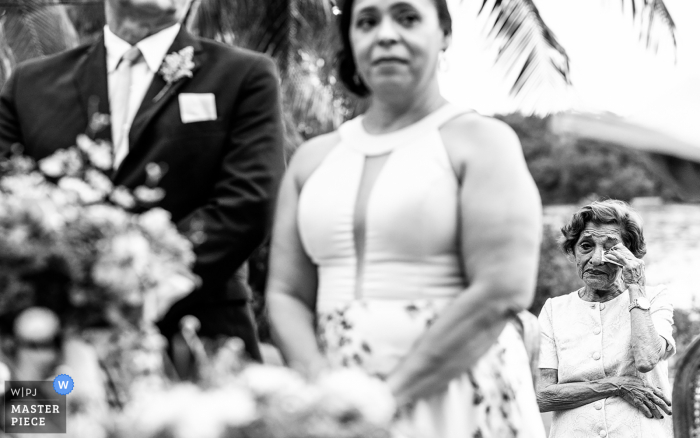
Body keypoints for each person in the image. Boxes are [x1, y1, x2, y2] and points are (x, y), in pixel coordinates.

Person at [266, 0, 546, 435]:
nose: (386, 34)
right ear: (352, 39)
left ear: (445, 33)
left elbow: (502, 290)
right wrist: (325, 390)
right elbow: (286, 293)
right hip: (338, 404)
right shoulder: (310, 161)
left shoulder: (482, 142)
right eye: (367, 21)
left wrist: (388, 399)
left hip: (455, 394)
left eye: (408, 17)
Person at [0, 0, 285, 361]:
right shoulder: (29, 84)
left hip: (198, 341)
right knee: (43, 420)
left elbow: (248, 204)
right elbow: (7, 204)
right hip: (53, 350)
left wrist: (135, 285)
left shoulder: (244, 75)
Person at [537, 200, 675, 438]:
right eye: (586, 246)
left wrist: (636, 287)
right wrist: (616, 385)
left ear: (630, 254)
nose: (597, 259)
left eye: (611, 248)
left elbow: (646, 359)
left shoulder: (654, 298)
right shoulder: (554, 309)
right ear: (573, 252)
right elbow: (543, 397)